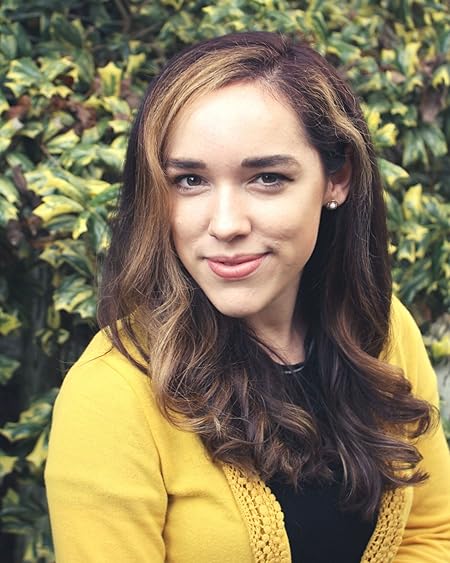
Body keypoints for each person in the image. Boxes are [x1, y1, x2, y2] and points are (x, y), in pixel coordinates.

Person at [44, 32, 450, 562]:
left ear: (337, 178)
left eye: (267, 178)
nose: (226, 224)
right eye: (190, 180)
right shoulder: (113, 392)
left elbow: (431, 533)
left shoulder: (380, 332)